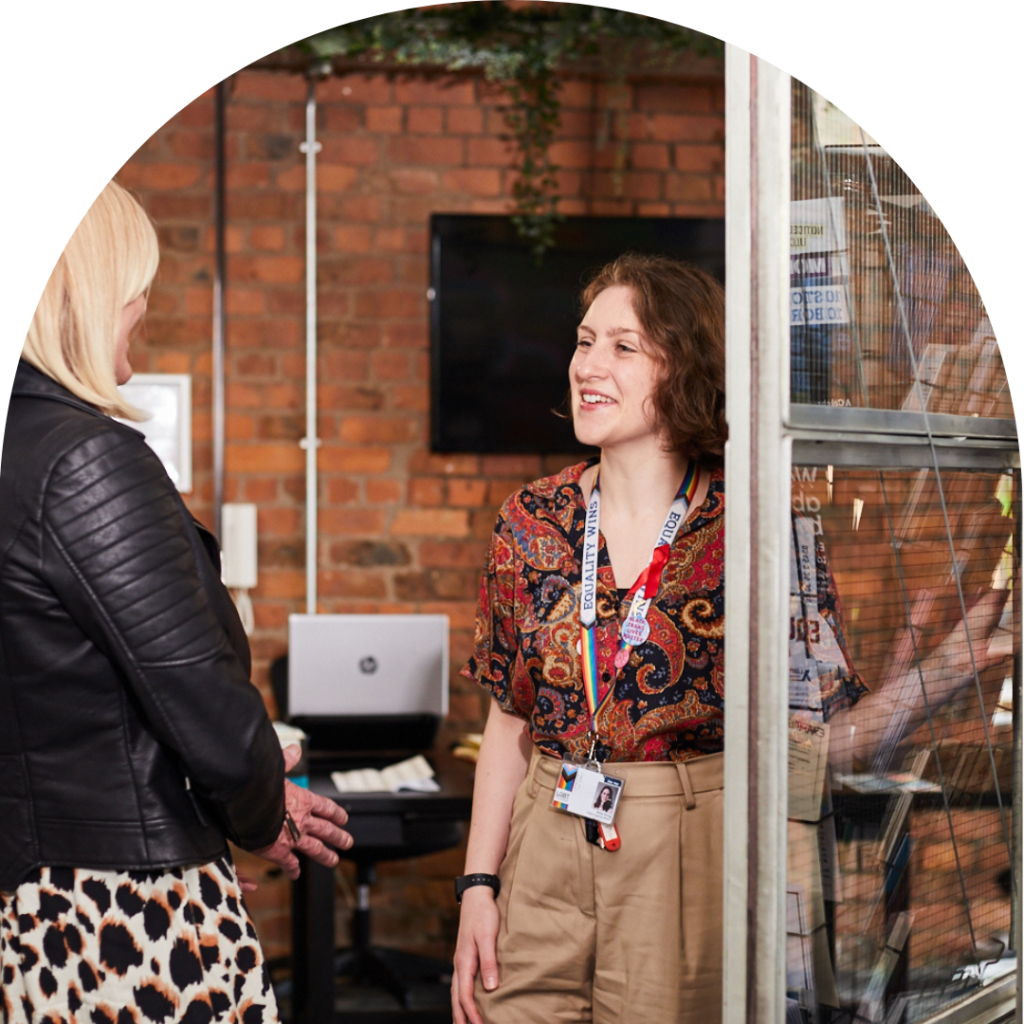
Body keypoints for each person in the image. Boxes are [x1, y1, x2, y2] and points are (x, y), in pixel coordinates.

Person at [0, 181, 352, 1024]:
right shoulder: (86, 461)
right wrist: (263, 807)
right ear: (86, 294)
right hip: (121, 913)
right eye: (136, 288)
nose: (143, 310)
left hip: (34, 893)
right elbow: (201, 700)